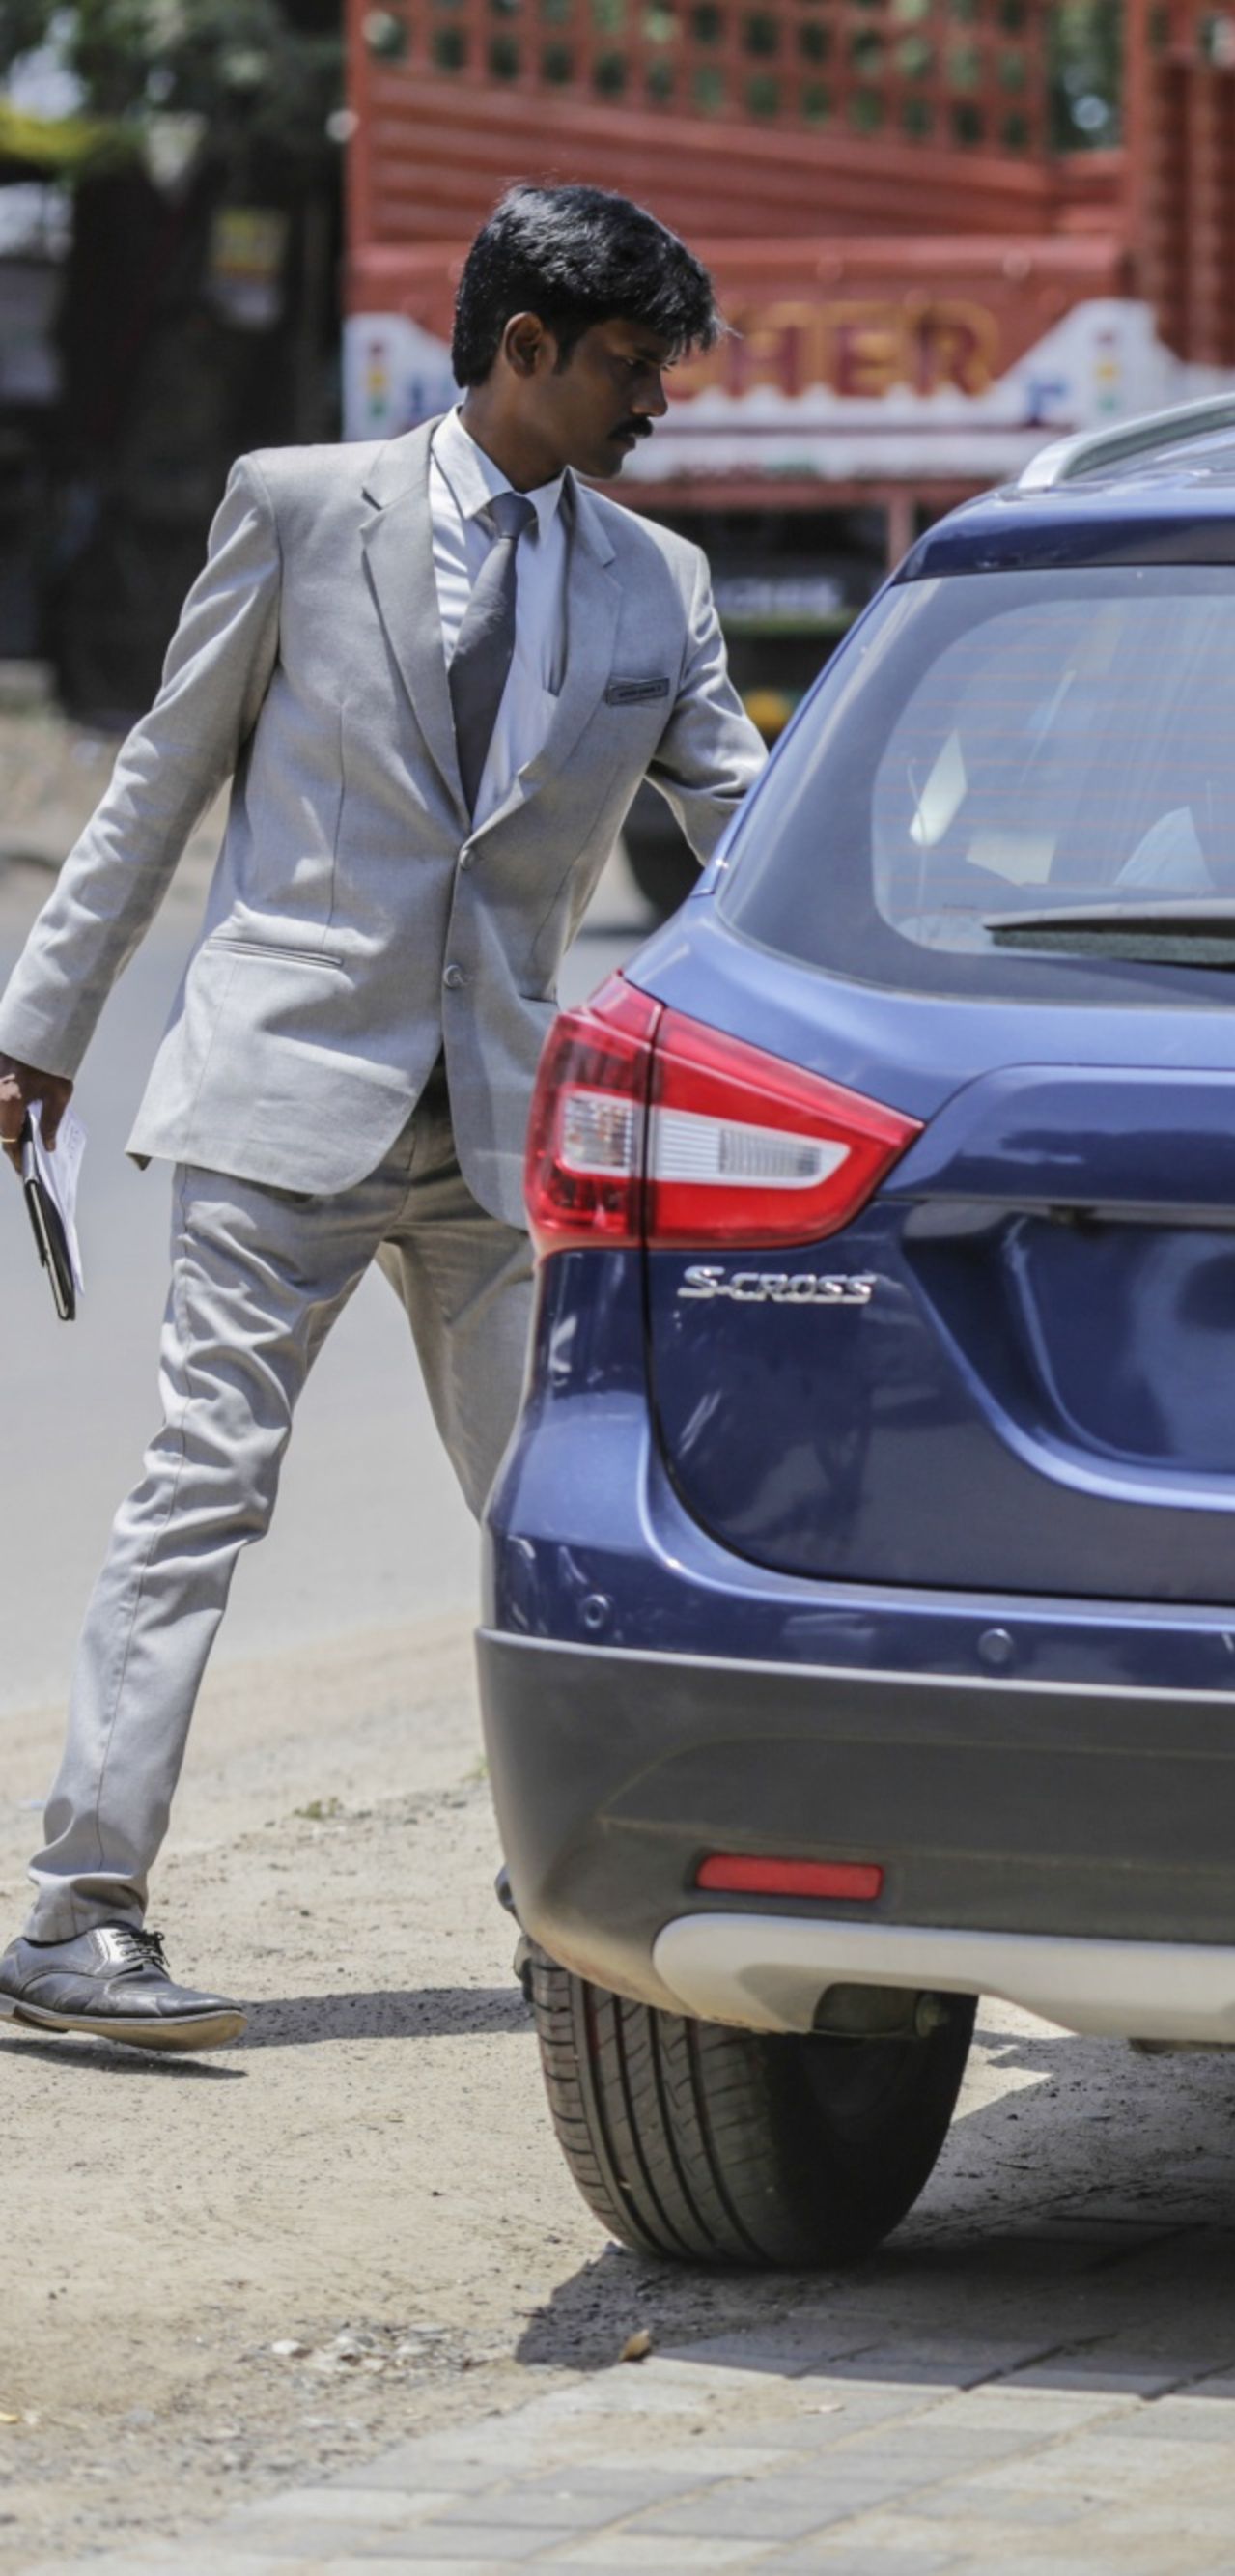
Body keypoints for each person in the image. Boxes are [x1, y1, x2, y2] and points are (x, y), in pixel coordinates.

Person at [0, 185, 765, 2050]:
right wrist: (40, 1030)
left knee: (557, 1521)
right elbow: (157, 787)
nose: (655, 394)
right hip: (283, 1097)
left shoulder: (657, 587)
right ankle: (73, 1914)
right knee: (203, 1488)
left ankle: (575, 1893)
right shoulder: (293, 506)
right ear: (523, 348)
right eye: (629, 360)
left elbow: (750, 832)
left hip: (506, 1131)